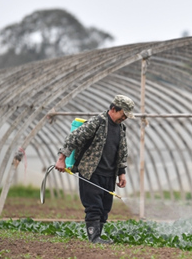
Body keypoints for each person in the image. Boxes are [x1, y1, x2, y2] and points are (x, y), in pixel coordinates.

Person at [55, 95, 135, 244]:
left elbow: (122, 152)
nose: (124, 118)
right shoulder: (97, 122)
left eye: (126, 116)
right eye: (123, 115)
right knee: (94, 206)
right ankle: (94, 238)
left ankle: (98, 236)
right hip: (91, 172)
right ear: (113, 109)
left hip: (109, 174)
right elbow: (74, 138)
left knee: (105, 208)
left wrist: (121, 173)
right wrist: (61, 159)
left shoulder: (121, 128)